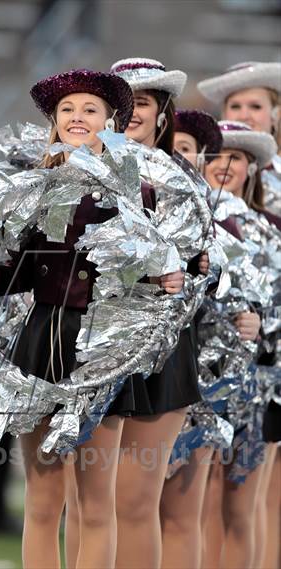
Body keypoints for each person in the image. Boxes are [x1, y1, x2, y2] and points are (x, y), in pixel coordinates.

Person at [0, 68, 186, 569]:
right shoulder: (32, 187)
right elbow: (14, 273)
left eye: (90, 110)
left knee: (96, 503)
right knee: (43, 499)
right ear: (53, 122)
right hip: (41, 341)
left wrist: (168, 274)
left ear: (111, 122)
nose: (77, 118)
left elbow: (156, 266)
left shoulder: (137, 192)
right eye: (67, 110)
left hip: (103, 347)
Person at [106, 57, 209, 569]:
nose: (130, 113)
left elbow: (202, 270)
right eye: (121, 102)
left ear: (163, 113)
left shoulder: (184, 180)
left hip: (161, 350)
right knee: (89, 503)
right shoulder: (80, 168)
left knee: (134, 500)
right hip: (91, 351)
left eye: (141, 102)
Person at [199, 62, 281, 568]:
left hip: (269, 356)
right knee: (208, 495)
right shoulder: (199, 187)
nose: (246, 114)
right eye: (236, 107)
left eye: (256, 106)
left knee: (263, 494)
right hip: (213, 359)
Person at [159, 109, 223, 569]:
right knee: (120, 505)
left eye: (186, 151)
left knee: (184, 513)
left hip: (193, 365)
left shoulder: (202, 206)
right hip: (120, 360)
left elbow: (216, 277)